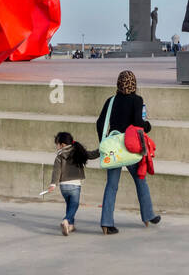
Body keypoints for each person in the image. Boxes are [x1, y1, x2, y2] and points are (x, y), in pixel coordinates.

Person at [94, 70, 159, 234]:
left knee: (111, 186)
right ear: (134, 84)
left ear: (118, 84)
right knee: (140, 181)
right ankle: (148, 215)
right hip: (130, 148)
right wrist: (148, 126)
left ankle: (106, 223)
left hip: (114, 149)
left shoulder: (111, 100)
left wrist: (104, 141)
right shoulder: (137, 100)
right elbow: (138, 122)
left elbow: (100, 122)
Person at [48, 131, 98, 236]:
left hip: (63, 186)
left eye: (56, 144)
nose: (56, 146)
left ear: (62, 144)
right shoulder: (79, 152)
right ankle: (66, 220)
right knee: (74, 205)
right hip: (75, 185)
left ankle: (70, 225)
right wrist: (101, 150)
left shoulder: (59, 156)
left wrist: (53, 184)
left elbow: (56, 171)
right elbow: (92, 155)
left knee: (70, 205)